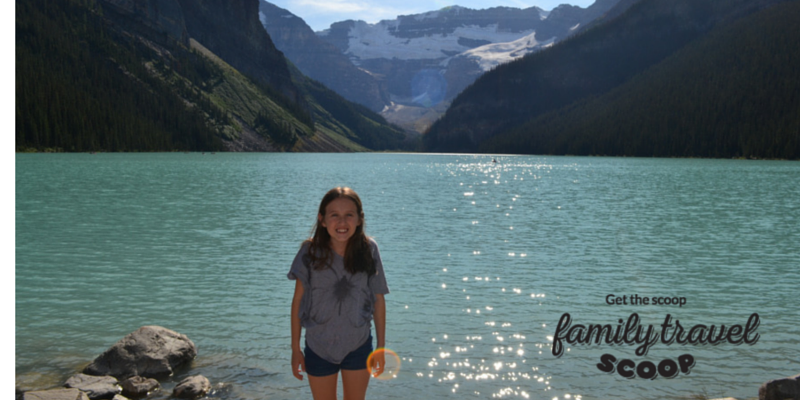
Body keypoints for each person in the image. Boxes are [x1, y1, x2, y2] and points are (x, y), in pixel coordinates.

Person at [288, 187, 389, 400]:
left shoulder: (368, 250)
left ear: (360, 219)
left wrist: (380, 346)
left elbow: (378, 300)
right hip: (318, 346)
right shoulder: (310, 252)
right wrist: (295, 348)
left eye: (349, 215)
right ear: (322, 220)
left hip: (359, 344)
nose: (342, 223)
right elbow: (298, 301)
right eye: (334, 215)